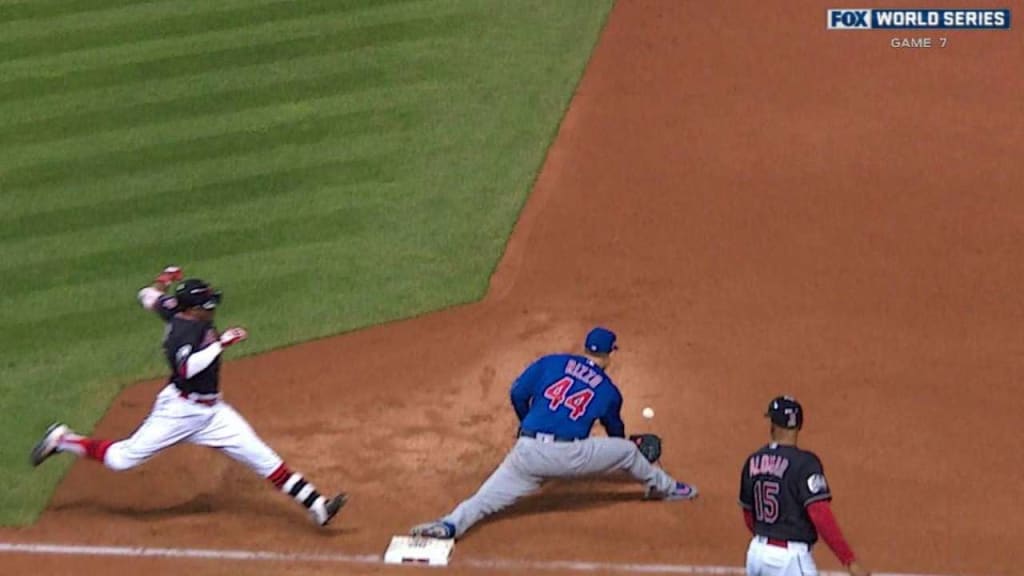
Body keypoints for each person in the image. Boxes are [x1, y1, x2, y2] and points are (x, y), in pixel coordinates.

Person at [30, 266, 346, 527]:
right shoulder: (182, 334)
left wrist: (161, 282)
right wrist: (221, 343)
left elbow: (147, 296)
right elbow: (186, 368)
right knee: (121, 459)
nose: (212, 310)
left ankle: (318, 507)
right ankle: (64, 440)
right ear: (193, 310)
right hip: (179, 411)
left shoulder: (176, 309)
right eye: (207, 306)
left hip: (214, 413)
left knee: (264, 459)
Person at [410, 326, 699, 539]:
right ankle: (666, 488)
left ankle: (450, 524)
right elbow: (615, 435)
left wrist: (525, 425)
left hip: (526, 452)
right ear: (610, 354)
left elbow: (517, 393)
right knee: (626, 452)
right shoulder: (609, 391)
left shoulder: (551, 362)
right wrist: (628, 445)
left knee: (483, 499)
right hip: (569, 456)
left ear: (586, 347)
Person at [739, 396, 870, 576]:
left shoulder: (753, 461)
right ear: (799, 426)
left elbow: (748, 515)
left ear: (773, 425)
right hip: (790, 560)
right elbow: (820, 514)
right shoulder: (806, 464)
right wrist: (849, 560)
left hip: (757, 554)